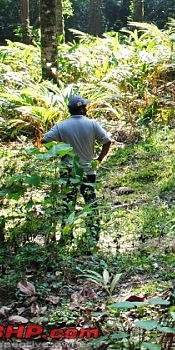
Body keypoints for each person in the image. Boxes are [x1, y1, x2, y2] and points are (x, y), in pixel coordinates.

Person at [41, 95, 112, 243]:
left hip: (68, 171)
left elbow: (44, 140)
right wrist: (98, 160)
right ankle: (93, 236)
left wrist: (60, 151)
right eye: (84, 106)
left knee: (68, 203)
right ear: (81, 109)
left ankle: (66, 237)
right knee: (90, 202)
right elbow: (107, 141)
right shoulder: (92, 124)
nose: (86, 109)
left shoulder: (62, 126)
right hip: (87, 171)